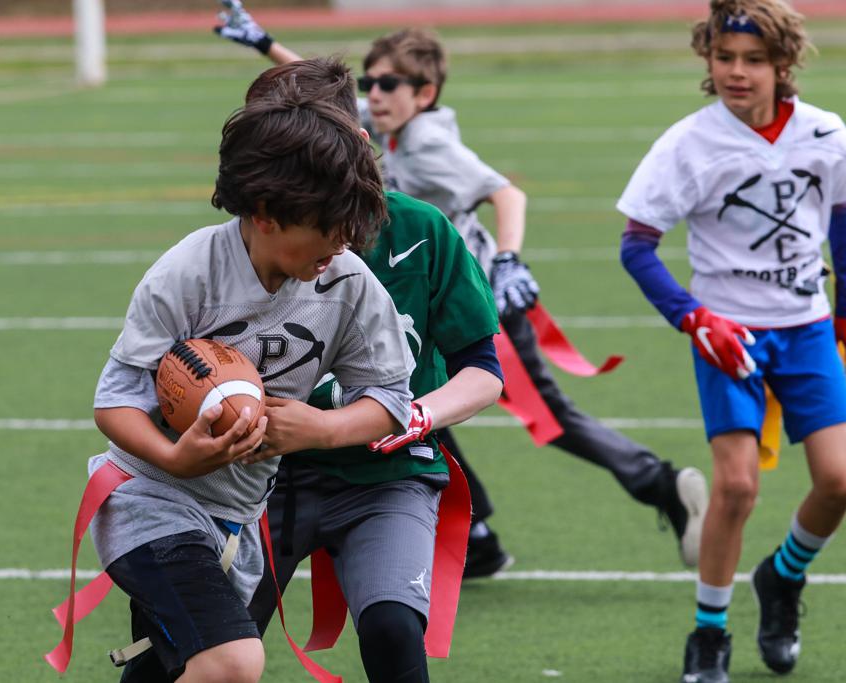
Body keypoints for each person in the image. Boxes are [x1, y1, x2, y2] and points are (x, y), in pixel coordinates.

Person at [215, 1, 710, 573]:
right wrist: (265, 44)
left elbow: (507, 193)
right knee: (413, 399)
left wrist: (510, 260)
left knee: (544, 415)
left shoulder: (429, 145)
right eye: (370, 83)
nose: (375, 94)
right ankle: (476, 534)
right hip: (432, 299)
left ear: (424, 94)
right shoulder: (387, 128)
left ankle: (660, 484)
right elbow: (322, 105)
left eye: (389, 84)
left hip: (476, 298)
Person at [86, 95, 417, 682]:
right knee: (232, 660)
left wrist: (323, 428)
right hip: (151, 499)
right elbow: (115, 401)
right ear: (266, 213)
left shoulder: (347, 282)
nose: (343, 242)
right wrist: (175, 457)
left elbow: (391, 399)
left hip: (239, 518)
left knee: (170, 668)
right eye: (329, 225)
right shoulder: (189, 273)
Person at [616, 1, 846, 680]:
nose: (736, 71)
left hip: (806, 328)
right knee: (735, 487)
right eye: (724, 57)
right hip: (730, 335)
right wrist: (695, 318)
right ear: (708, 58)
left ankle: (782, 576)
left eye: (754, 60)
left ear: (784, 63)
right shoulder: (689, 144)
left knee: (841, 481)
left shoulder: (823, 132)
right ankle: (710, 632)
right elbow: (636, 246)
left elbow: (841, 211)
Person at [239, 57, 503, 683]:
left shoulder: (422, 229)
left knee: (392, 628)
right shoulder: (244, 240)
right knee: (197, 645)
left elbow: (483, 370)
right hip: (261, 477)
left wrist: (408, 417)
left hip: (386, 475)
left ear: (354, 143)